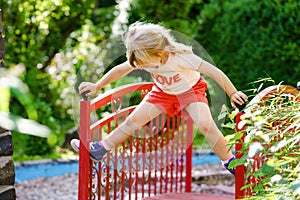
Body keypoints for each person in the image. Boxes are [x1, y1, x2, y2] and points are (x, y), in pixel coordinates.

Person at [71, 22, 248, 175]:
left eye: (146, 62)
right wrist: (97, 86)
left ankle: (230, 161)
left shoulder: (182, 58)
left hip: (191, 91)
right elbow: (120, 69)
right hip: (162, 93)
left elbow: (214, 72)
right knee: (132, 121)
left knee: (205, 125)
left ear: (160, 52)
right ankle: (100, 149)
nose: (142, 66)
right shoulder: (141, 58)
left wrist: (232, 93)